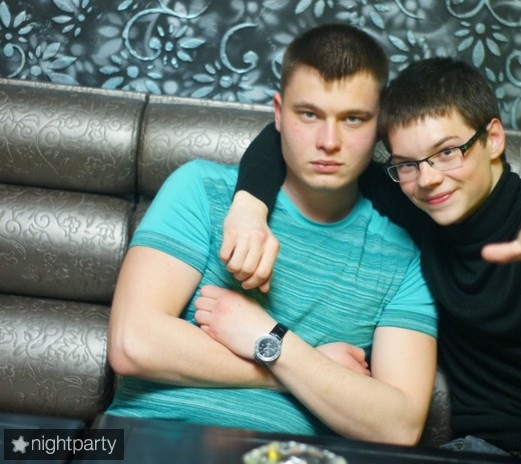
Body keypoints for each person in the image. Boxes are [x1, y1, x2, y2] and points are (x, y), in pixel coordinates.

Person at [221, 57, 521, 460]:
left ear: (493, 139)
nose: (428, 178)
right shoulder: (422, 212)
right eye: (407, 163)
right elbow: (283, 138)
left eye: (447, 152)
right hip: (477, 450)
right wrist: (249, 209)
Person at [105, 23, 439, 446]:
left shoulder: (404, 255)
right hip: (142, 440)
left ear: (379, 126)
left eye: (353, 119)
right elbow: (132, 343)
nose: (329, 141)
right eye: (309, 114)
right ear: (279, 113)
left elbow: (399, 425)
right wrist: (288, 361)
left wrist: (267, 337)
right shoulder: (201, 189)